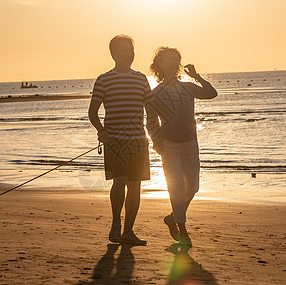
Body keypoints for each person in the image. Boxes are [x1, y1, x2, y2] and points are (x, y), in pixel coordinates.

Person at [146, 47, 217, 246]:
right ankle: (182, 228)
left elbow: (211, 93)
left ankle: (172, 217)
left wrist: (197, 77)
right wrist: (156, 142)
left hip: (190, 143)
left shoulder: (187, 87)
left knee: (192, 187)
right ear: (159, 64)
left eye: (175, 60)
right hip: (169, 146)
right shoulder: (154, 94)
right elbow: (151, 122)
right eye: (168, 60)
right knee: (176, 188)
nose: (172, 63)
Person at [88, 34, 153, 245]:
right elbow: (92, 112)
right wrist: (101, 131)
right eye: (124, 50)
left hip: (138, 140)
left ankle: (128, 232)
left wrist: (157, 133)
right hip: (114, 141)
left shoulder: (141, 79)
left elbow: (151, 109)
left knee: (135, 186)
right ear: (113, 53)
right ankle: (116, 224)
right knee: (120, 182)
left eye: (131, 51)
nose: (129, 54)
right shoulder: (104, 79)